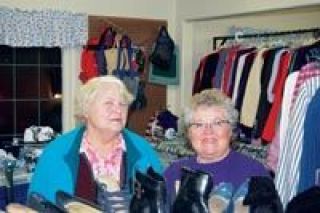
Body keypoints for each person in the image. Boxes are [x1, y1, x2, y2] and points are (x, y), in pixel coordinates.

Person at [27, 75, 163, 208]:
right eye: (109, 103)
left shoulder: (143, 150)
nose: (118, 110)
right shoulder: (57, 152)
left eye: (122, 104)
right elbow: (37, 206)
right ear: (86, 109)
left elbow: (162, 202)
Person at [164, 88, 270, 211]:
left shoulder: (254, 173)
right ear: (188, 133)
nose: (208, 131)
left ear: (231, 130)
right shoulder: (174, 173)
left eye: (217, 123)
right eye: (199, 124)